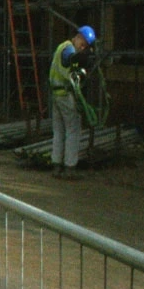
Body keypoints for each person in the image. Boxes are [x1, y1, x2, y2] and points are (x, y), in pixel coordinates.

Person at [49, 25, 96, 179]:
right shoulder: (68, 48)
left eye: (85, 47)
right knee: (73, 130)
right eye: (82, 44)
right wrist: (84, 58)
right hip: (64, 95)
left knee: (59, 131)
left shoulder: (61, 46)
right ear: (78, 37)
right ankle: (70, 167)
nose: (82, 48)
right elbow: (70, 60)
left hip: (56, 94)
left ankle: (56, 166)